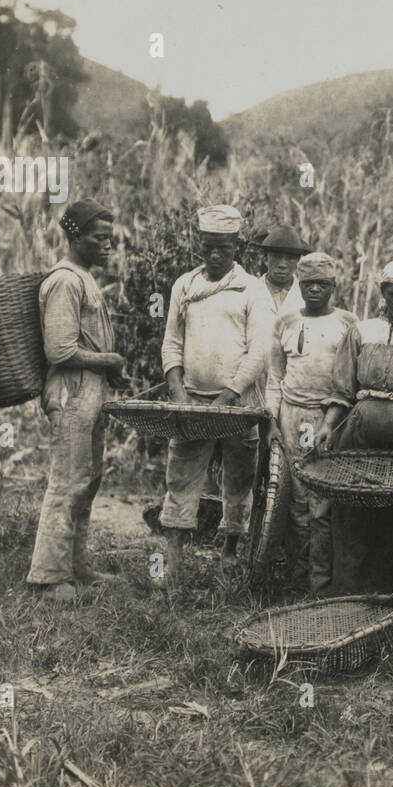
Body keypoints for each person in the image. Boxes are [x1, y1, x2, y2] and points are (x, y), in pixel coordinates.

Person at [158, 205, 272, 581]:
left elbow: (259, 350)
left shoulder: (251, 289)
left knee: (239, 479)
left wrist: (230, 395)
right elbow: (172, 343)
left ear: (236, 246)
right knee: (181, 476)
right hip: (193, 402)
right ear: (200, 245)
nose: (214, 255)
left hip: (239, 405)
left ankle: (230, 551)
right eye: (208, 247)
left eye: (223, 248)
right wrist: (178, 392)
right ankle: (173, 564)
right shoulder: (185, 286)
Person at [316, 261, 393, 595]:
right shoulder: (361, 331)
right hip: (360, 430)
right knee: (354, 510)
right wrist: (329, 426)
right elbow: (342, 389)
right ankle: (351, 596)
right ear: (382, 292)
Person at [27, 200, 123, 602]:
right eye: (99, 238)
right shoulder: (64, 281)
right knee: (67, 481)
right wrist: (110, 359)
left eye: (110, 239)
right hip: (72, 391)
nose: (108, 246)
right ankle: (49, 577)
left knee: (87, 481)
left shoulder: (83, 278)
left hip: (90, 391)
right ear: (75, 237)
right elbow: (60, 350)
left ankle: (76, 567)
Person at [265, 252, 358, 594]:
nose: (315, 290)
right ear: (299, 285)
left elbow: (351, 379)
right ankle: (296, 581)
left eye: (323, 284)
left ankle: (323, 585)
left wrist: (335, 422)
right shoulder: (285, 322)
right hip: (292, 415)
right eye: (308, 284)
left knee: (325, 505)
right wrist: (271, 423)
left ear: (334, 286)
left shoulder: (348, 323)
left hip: (330, 419)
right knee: (296, 504)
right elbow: (275, 377)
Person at [250, 224, 311, 317]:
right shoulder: (249, 292)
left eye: (290, 258)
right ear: (265, 259)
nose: (282, 265)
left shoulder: (307, 297)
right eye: (276, 257)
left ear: (298, 261)